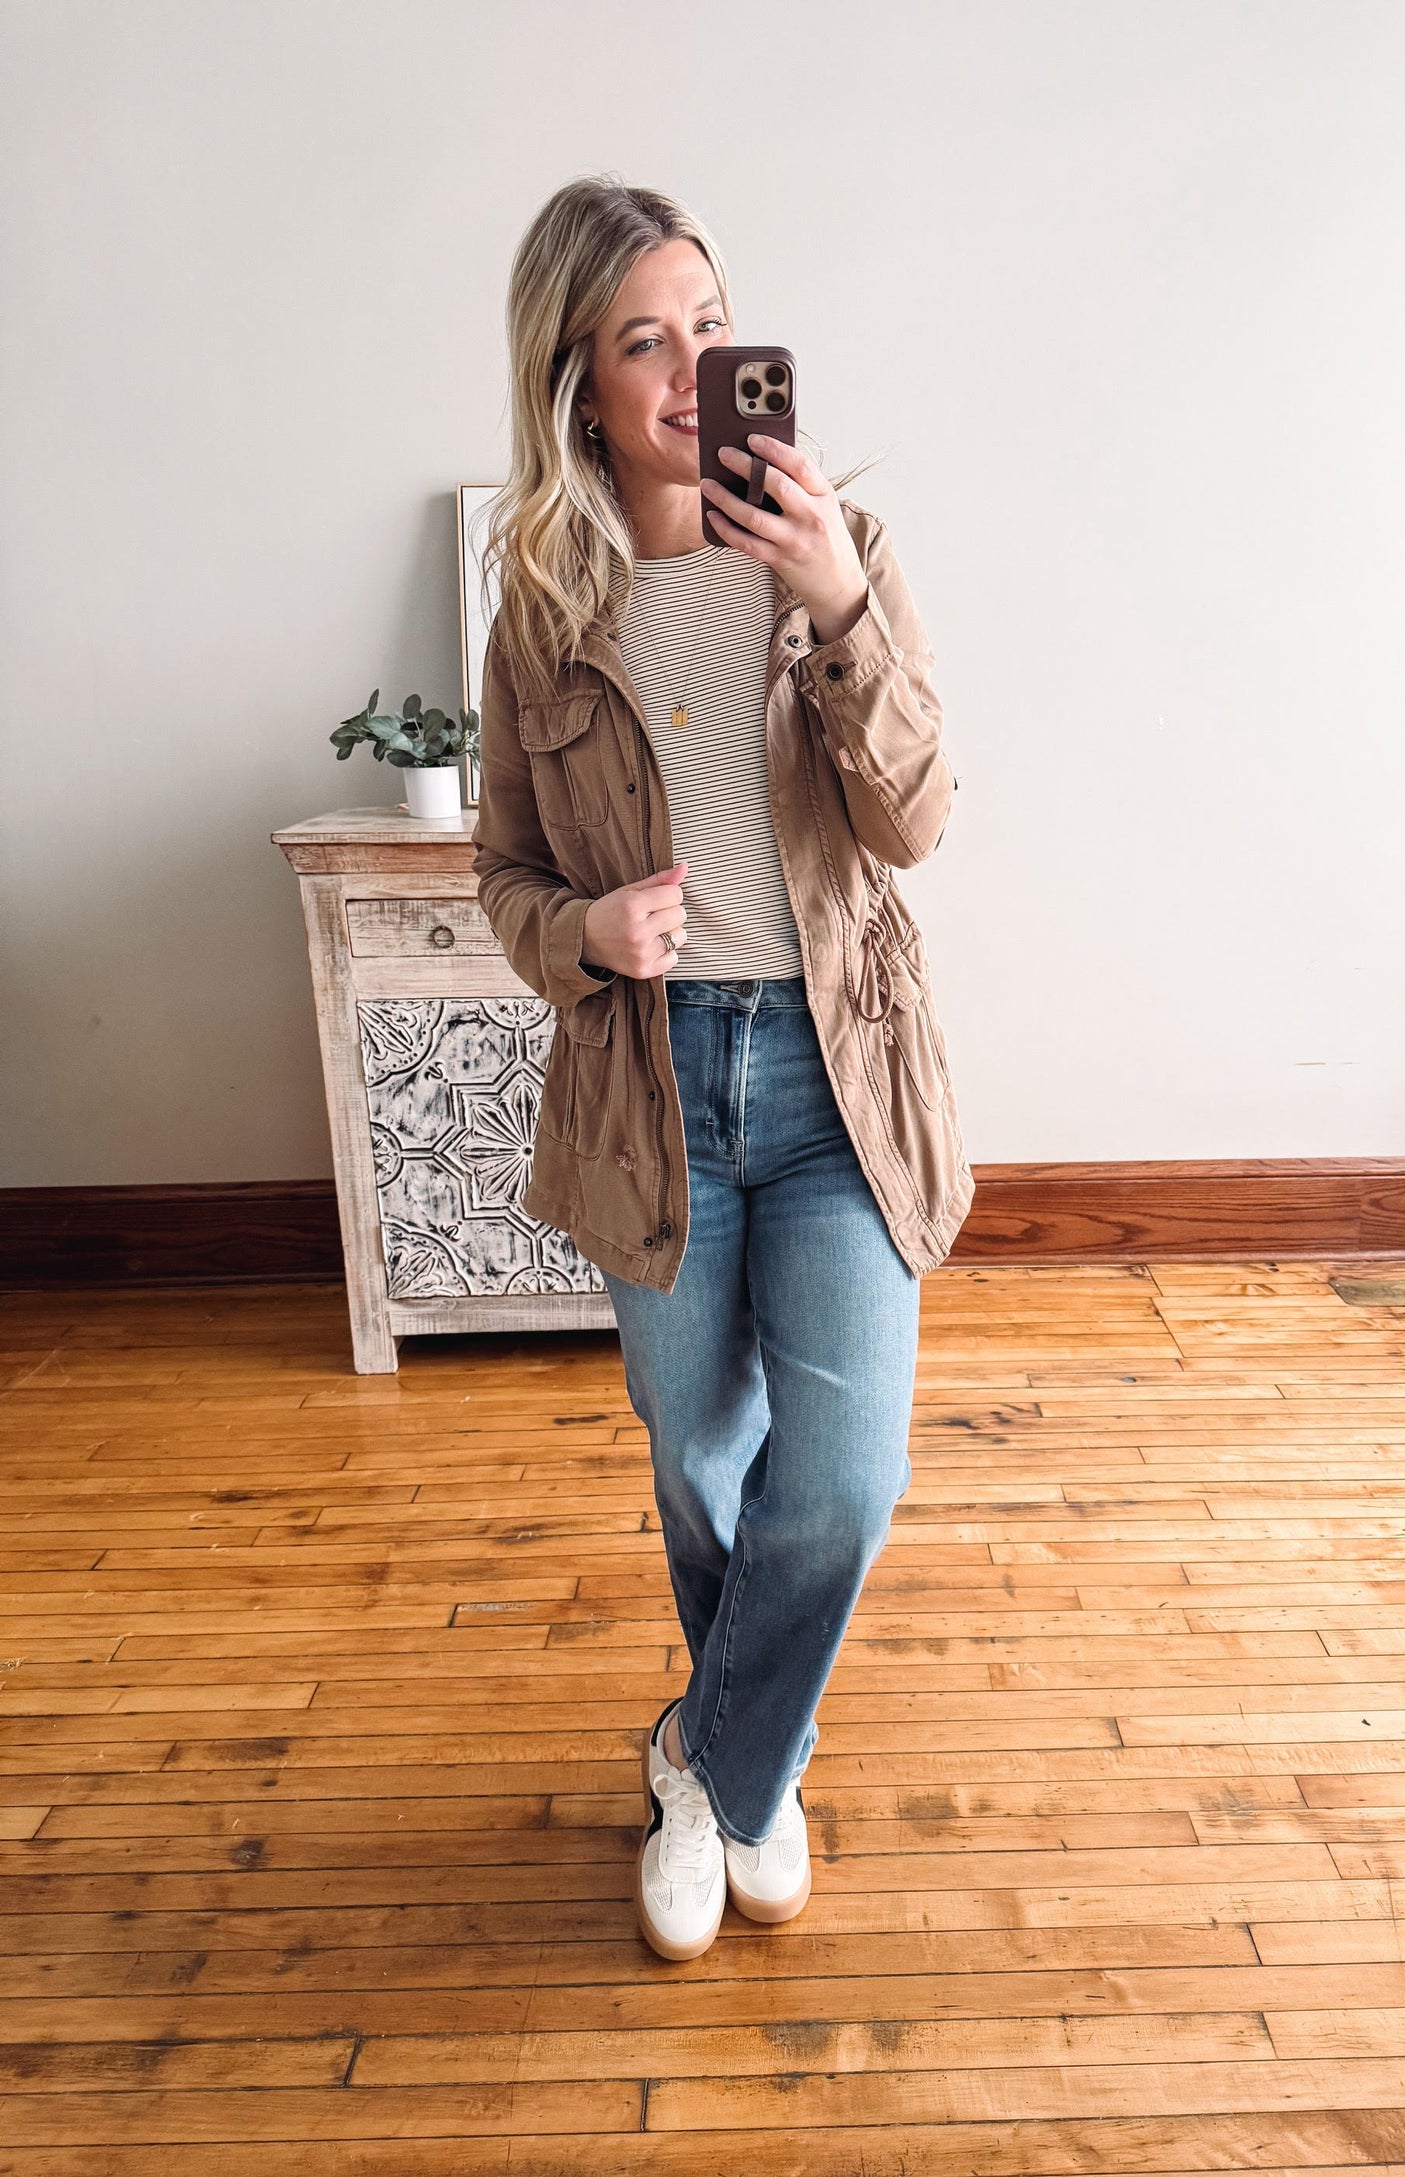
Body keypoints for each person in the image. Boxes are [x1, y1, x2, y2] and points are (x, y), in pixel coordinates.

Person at [473, 176, 973, 1961]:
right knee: (699, 1465)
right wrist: (586, 934)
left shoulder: (835, 545)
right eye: (640, 340)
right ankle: (758, 1771)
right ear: (579, 386)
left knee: (837, 1483)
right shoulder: (543, 602)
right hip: (649, 1084)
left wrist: (836, 596)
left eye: (708, 322)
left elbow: (911, 819)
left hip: (835, 1085)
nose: (689, 366)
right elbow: (505, 876)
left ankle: (711, 1757)